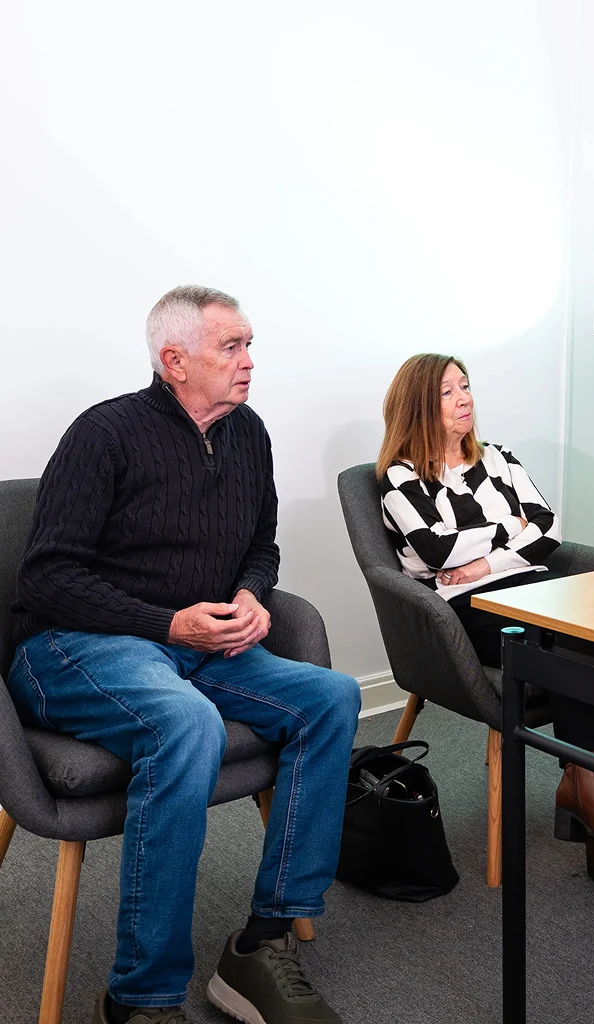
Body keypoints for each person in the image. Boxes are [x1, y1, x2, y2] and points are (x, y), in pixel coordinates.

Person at [9, 286, 360, 1024]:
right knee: (186, 725)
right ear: (174, 361)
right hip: (74, 648)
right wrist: (169, 624)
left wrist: (253, 592)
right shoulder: (103, 435)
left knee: (331, 697)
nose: (250, 362)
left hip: (201, 649)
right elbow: (48, 578)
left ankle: (260, 943)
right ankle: (141, 994)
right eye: (232, 347)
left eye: (249, 344)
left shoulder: (249, 433)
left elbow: (261, 543)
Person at [376, 352, 594, 914]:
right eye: (447, 392)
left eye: (466, 386)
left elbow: (550, 531)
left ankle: (586, 787)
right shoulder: (399, 478)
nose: (466, 399)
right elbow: (436, 552)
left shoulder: (499, 459)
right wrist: (511, 530)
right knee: (553, 637)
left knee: (569, 627)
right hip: (467, 609)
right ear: (418, 404)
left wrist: (485, 559)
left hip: (515, 586)